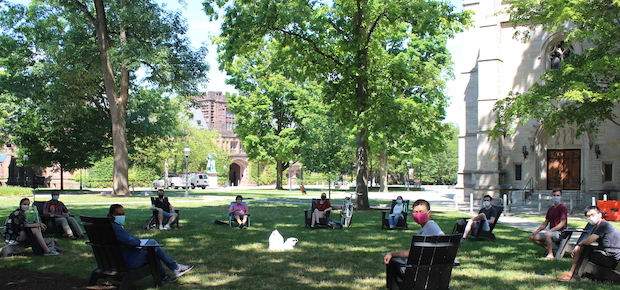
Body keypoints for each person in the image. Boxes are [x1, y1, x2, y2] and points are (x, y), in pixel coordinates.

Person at [108, 204, 193, 282]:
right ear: (112, 215)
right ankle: (175, 268)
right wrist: (138, 242)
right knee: (152, 245)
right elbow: (132, 241)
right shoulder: (115, 228)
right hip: (126, 262)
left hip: (112, 261)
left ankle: (165, 276)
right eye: (118, 214)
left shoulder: (106, 227)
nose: (122, 216)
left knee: (152, 249)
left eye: (123, 214)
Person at [557, 205, 620, 280]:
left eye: (592, 215)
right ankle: (573, 272)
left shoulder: (603, 226)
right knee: (583, 248)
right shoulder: (600, 226)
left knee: (583, 250)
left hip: (611, 258)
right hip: (612, 256)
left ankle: (572, 274)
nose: (590, 218)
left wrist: (578, 246)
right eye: (588, 216)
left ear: (600, 215)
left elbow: (588, 241)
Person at [383, 199, 445, 264]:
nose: (418, 214)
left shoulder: (431, 225)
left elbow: (443, 238)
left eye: (421, 212)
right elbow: (412, 252)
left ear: (429, 213)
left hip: (422, 265)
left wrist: (392, 254)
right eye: (416, 212)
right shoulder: (424, 228)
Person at [530, 189, 568, 259]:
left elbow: (563, 223)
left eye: (557, 195)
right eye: (554, 195)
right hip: (551, 232)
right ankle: (547, 248)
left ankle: (550, 255)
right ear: (551, 196)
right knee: (533, 237)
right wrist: (536, 232)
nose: (556, 197)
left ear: (561, 196)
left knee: (547, 234)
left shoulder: (563, 208)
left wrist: (551, 230)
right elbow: (545, 223)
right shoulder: (551, 209)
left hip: (560, 232)